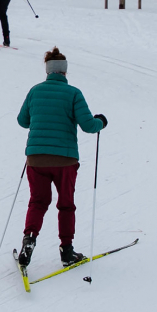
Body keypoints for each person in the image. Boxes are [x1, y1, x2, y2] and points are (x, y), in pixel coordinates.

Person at [16, 47, 107, 268]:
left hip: (36, 158)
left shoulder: (35, 91)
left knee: (38, 201)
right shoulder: (74, 93)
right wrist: (101, 122)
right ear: (64, 72)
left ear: (47, 70)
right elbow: (88, 125)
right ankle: (67, 251)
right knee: (66, 204)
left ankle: (29, 240)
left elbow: (23, 121)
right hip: (65, 160)